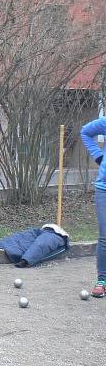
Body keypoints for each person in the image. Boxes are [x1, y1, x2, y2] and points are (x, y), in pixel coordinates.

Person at [80, 117, 106, 298]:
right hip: (104, 189)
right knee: (105, 236)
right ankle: (102, 280)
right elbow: (85, 132)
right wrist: (99, 156)